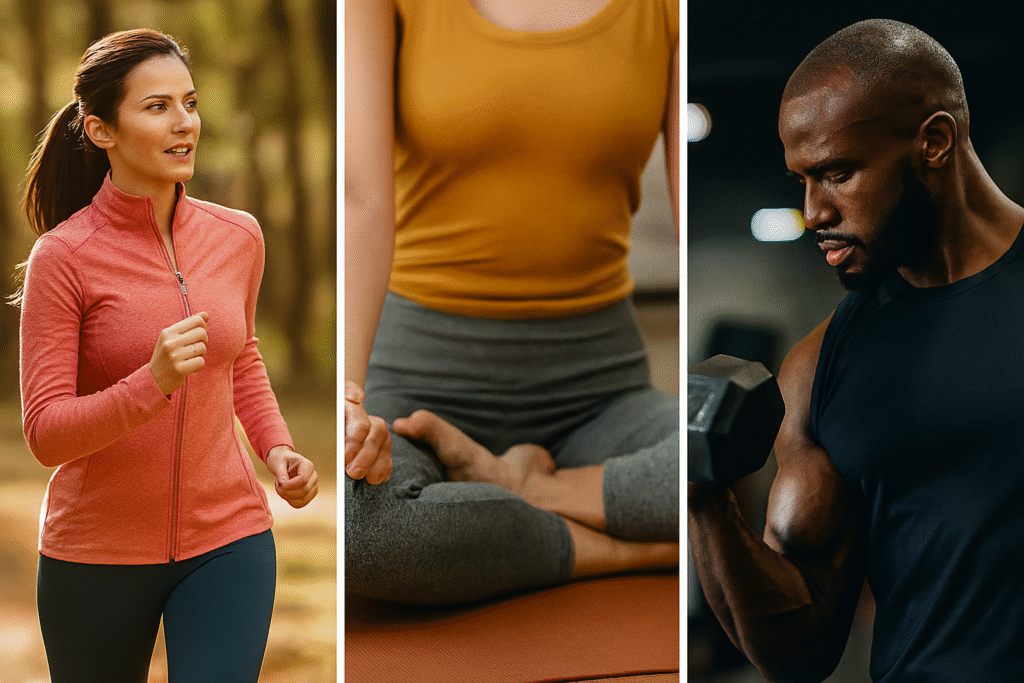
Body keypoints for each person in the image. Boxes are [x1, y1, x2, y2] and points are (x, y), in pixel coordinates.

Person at [689, 18, 1024, 682]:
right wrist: (707, 496)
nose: (814, 210)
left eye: (837, 172)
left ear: (934, 141)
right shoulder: (819, 367)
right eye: (802, 180)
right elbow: (802, 644)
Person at [345, 0, 680, 606]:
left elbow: (694, 222)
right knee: (358, 529)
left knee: (716, 470)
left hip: (599, 398)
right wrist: (348, 394)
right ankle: (637, 549)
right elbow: (360, 200)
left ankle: (525, 491)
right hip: (416, 391)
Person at [18, 29, 319, 683]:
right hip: (95, 555)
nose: (184, 123)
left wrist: (277, 447)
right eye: (157, 107)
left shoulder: (238, 236)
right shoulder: (64, 258)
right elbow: (45, 433)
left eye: (189, 103)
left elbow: (241, 358)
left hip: (229, 540)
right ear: (102, 130)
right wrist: (149, 382)